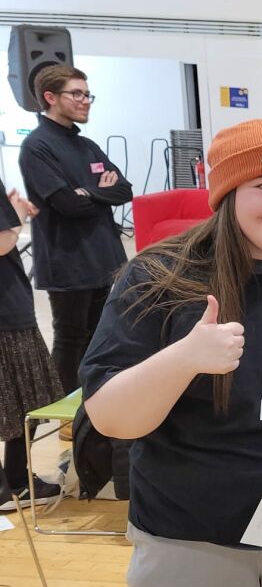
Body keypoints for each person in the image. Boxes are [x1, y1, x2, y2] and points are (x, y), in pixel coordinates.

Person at [78, 119, 262, 587]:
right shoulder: (158, 278)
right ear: (227, 192)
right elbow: (111, 419)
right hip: (192, 536)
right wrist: (184, 358)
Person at [18, 65, 131, 431]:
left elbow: (124, 190)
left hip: (104, 258)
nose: (85, 101)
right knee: (70, 340)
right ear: (50, 98)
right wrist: (98, 193)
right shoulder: (37, 147)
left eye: (87, 94)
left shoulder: (86, 145)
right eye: (77, 94)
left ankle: (94, 412)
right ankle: (68, 419)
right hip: (68, 262)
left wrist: (89, 192)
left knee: (100, 339)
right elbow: (67, 204)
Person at [0, 185, 64, 511]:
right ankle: (15, 484)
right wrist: (18, 216)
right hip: (7, 311)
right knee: (26, 398)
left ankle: (14, 482)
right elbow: (2, 242)